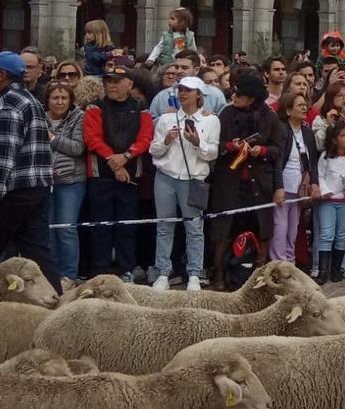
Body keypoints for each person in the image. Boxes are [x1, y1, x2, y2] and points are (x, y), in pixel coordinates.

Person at [0, 51, 60, 292]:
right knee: (37, 250)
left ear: (1, 74)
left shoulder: (7, 106)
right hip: (37, 188)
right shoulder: (29, 99)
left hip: (13, 191)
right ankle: (56, 301)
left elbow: (1, 159)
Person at [82, 58, 153, 282]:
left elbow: (145, 138)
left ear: (129, 85)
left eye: (117, 81)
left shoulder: (141, 108)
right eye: (108, 81)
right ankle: (99, 272)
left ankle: (126, 270)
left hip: (131, 175)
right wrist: (115, 161)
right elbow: (92, 139)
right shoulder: (95, 107)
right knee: (100, 226)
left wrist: (126, 157)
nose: (111, 85)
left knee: (127, 226)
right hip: (100, 175)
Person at [210, 74, 282, 290]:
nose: (234, 96)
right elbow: (216, 144)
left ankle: (260, 275)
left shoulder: (270, 117)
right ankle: (219, 275)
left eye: (238, 93)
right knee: (223, 230)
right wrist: (231, 146)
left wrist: (262, 151)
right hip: (229, 182)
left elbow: (278, 149)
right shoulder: (226, 114)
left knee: (262, 229)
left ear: (250, 97)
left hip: (259, 183)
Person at [148, 76, 219, 291]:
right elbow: (153, 150)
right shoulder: (166, 119)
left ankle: (195, 273)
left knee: (194, 227)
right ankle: (163, 272)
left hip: (193, 179)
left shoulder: (211, 120)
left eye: (189, 90)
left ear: (199, 94)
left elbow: (213, 153)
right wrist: (167, 140)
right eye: (181, 90)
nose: (183, 94)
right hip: (166, 176)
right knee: (164, 226)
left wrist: (198, 143)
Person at [44, 83, 86, 286]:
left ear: (70, 101)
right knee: (48, 229)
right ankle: (51, 273)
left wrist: (52, 138)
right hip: (44, 180)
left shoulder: (79, 117)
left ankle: (69, 274)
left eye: (64, 98)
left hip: (71, 181)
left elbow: (77, 148)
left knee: (66, 228)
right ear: (47, 100)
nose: (59, 102)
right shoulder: (38, 118)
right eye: (55, 98)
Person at [312, 121, 345, 284]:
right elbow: (320, 175)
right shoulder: (325, 156)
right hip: (328, 202)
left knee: (342, 234)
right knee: (327, 234)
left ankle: (336, 269)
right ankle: (323, 271)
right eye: (343, 135)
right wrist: (325, 190)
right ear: (334, 139)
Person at [271, 90, 319, 264]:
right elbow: (277, 161)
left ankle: (290, 263)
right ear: (288, 110)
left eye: (305, 105)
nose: (304, 108)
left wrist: (314, 183)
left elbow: (313, 161)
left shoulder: (307, 132)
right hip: (284, 185)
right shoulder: (281, 129)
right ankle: (278, 262)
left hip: (301, 187)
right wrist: (278, 186)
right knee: (280, 227)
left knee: (293, 228)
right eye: (300, 105)